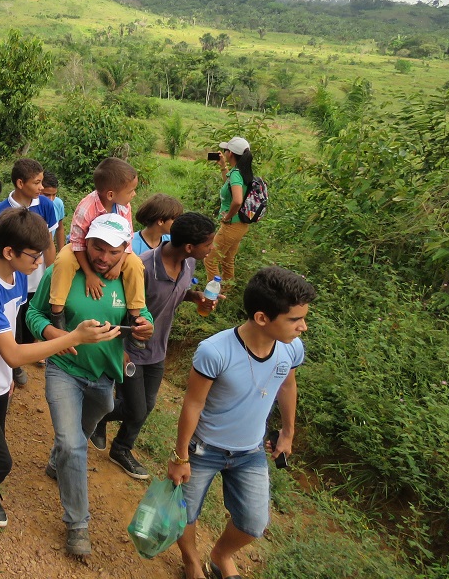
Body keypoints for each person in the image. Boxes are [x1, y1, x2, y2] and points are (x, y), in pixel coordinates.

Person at [0, 208, 121, 579]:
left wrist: (9, 372)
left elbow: (11, 330)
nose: (40, 262)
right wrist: (72, 337)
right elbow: (13, 352)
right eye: (34, 255)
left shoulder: (16, 275)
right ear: (9, 252)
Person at [168, 266, 315, 579]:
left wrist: (288, 432)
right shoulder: (215, 351)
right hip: (204, 449)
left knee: (253, 523)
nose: (302, 327)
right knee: (184, 513)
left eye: (303, 318)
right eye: (294, 320)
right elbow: (193, 403)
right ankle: (191, 562)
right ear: (262, 318)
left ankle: (221, 555)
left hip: (250, 451)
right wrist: (180, 456)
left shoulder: (291, 348)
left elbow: (287, 386)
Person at [27, 213, 153, 557]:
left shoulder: (129, 277)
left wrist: (146, 327)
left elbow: (143, 316)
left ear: (125, 250)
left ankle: (58, 461)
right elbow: (34, 314)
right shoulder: (64, 270)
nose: (103, 257)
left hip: (103, 377)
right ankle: (77, 525)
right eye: (98, 247)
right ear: (87, 243)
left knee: (83, 430)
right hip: (64, 369)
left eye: (113, 251)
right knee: (73, 444)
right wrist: (54, 334)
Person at [92, 212, 217, 475]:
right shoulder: (142, 266)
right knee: (136, 409)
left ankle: (120, 447)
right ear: (189, 246)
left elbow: (175, 292)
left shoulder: (188, 264)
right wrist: (119, 348)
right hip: (130, 349)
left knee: (146, 406)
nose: (211, 248)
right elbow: (116, 307)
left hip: (158, 349)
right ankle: (97, 414)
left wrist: (195, 297)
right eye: (208, 244)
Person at [49, 157, 143, 335]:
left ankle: (134, 317)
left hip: (116, 250)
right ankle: (57, 312)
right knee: (63, 260)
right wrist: (90, 274)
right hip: (84, 249)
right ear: (110, 195)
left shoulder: (124, 207)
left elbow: (128, 237)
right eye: (131, 191)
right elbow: (77, 243)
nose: (134, 194)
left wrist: (118, 263)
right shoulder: (86, 208)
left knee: (135, 264)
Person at [0, 158, 59, 387]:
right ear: (20, 183)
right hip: (11, 284)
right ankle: (13, 367)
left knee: (30, 330)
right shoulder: (0, 211)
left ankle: (19, 358)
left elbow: (49, 244)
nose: (41, 187)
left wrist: (52, 275)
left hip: (37, 282)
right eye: (37, 183)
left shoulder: (45, 205)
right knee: (12, 328)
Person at [204, 136, 254, 284]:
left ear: (230, 153)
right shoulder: (242, 172)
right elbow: (230, 187)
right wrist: (223, 166)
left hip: (232, 225)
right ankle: (227, 290)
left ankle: (213, 294)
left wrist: (228, 217)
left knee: (210, 260)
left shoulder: (236, 174)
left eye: (226, 150)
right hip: (241, 225)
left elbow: (237, 200)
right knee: (227, 259)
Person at [41, 172, 67, 252]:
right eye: (47, 195)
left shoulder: (58, 203)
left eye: (54, 195)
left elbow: (59, 228)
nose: (51, 199)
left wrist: (61, 252)